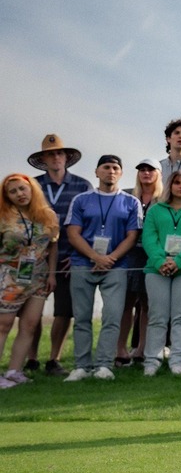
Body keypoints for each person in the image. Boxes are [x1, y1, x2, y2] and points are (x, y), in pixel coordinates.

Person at [62, 156, 144, 381]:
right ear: (97, 171)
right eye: (106, 167)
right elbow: (73, 233)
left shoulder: (130, 202)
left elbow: (132, 236)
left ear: (121, 173)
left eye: (115, 168)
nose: (110, 171)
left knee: (112, 316)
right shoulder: (81, 199)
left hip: (116, 266)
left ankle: (104, 365)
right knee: (82, 317)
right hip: (83, 264)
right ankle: (81, 365)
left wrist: (110, 258)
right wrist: (95, 256)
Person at [29, 134, 91, 376]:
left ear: (67, 157)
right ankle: (31, 358)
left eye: (59, 153)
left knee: (64, 312)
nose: (55, 157)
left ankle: (53, 359)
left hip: (69, 258)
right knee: (31, 313)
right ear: (43, 159)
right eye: (50, 154)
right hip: (35, 259)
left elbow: (90, 223)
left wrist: (78, 253)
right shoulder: (32, 185)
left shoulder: (83, 186)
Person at [138, 170, 181, 375]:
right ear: (170, 185)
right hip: (156, 269)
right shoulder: (156, 210)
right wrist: (160, 260)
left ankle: (178, 360)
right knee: (157, 316)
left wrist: (179, 260)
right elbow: (149, 238)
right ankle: (151, 361)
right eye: (177, 183)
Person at [0, 175, 59, 388]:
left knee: (30, 325)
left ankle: (15, 371)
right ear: (7, 196)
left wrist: (52, 275)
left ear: (32, 189)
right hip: (9, 277)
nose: (19, 194)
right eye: (13, 191)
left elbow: (53, 246)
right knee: (3, 325)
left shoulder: (48, 216)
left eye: (22, 189)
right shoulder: (4, 216)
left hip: (39, 277)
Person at [116, 159, 163, 367]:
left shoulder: (163, 199)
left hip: (152, 255)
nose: (146, 173)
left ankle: (142, 348)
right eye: (142, 170)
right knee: (125, 303)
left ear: (158, 174)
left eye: (150, 170)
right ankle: (120, 348)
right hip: (129, 254)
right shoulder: (126, 196)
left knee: (147, 304)